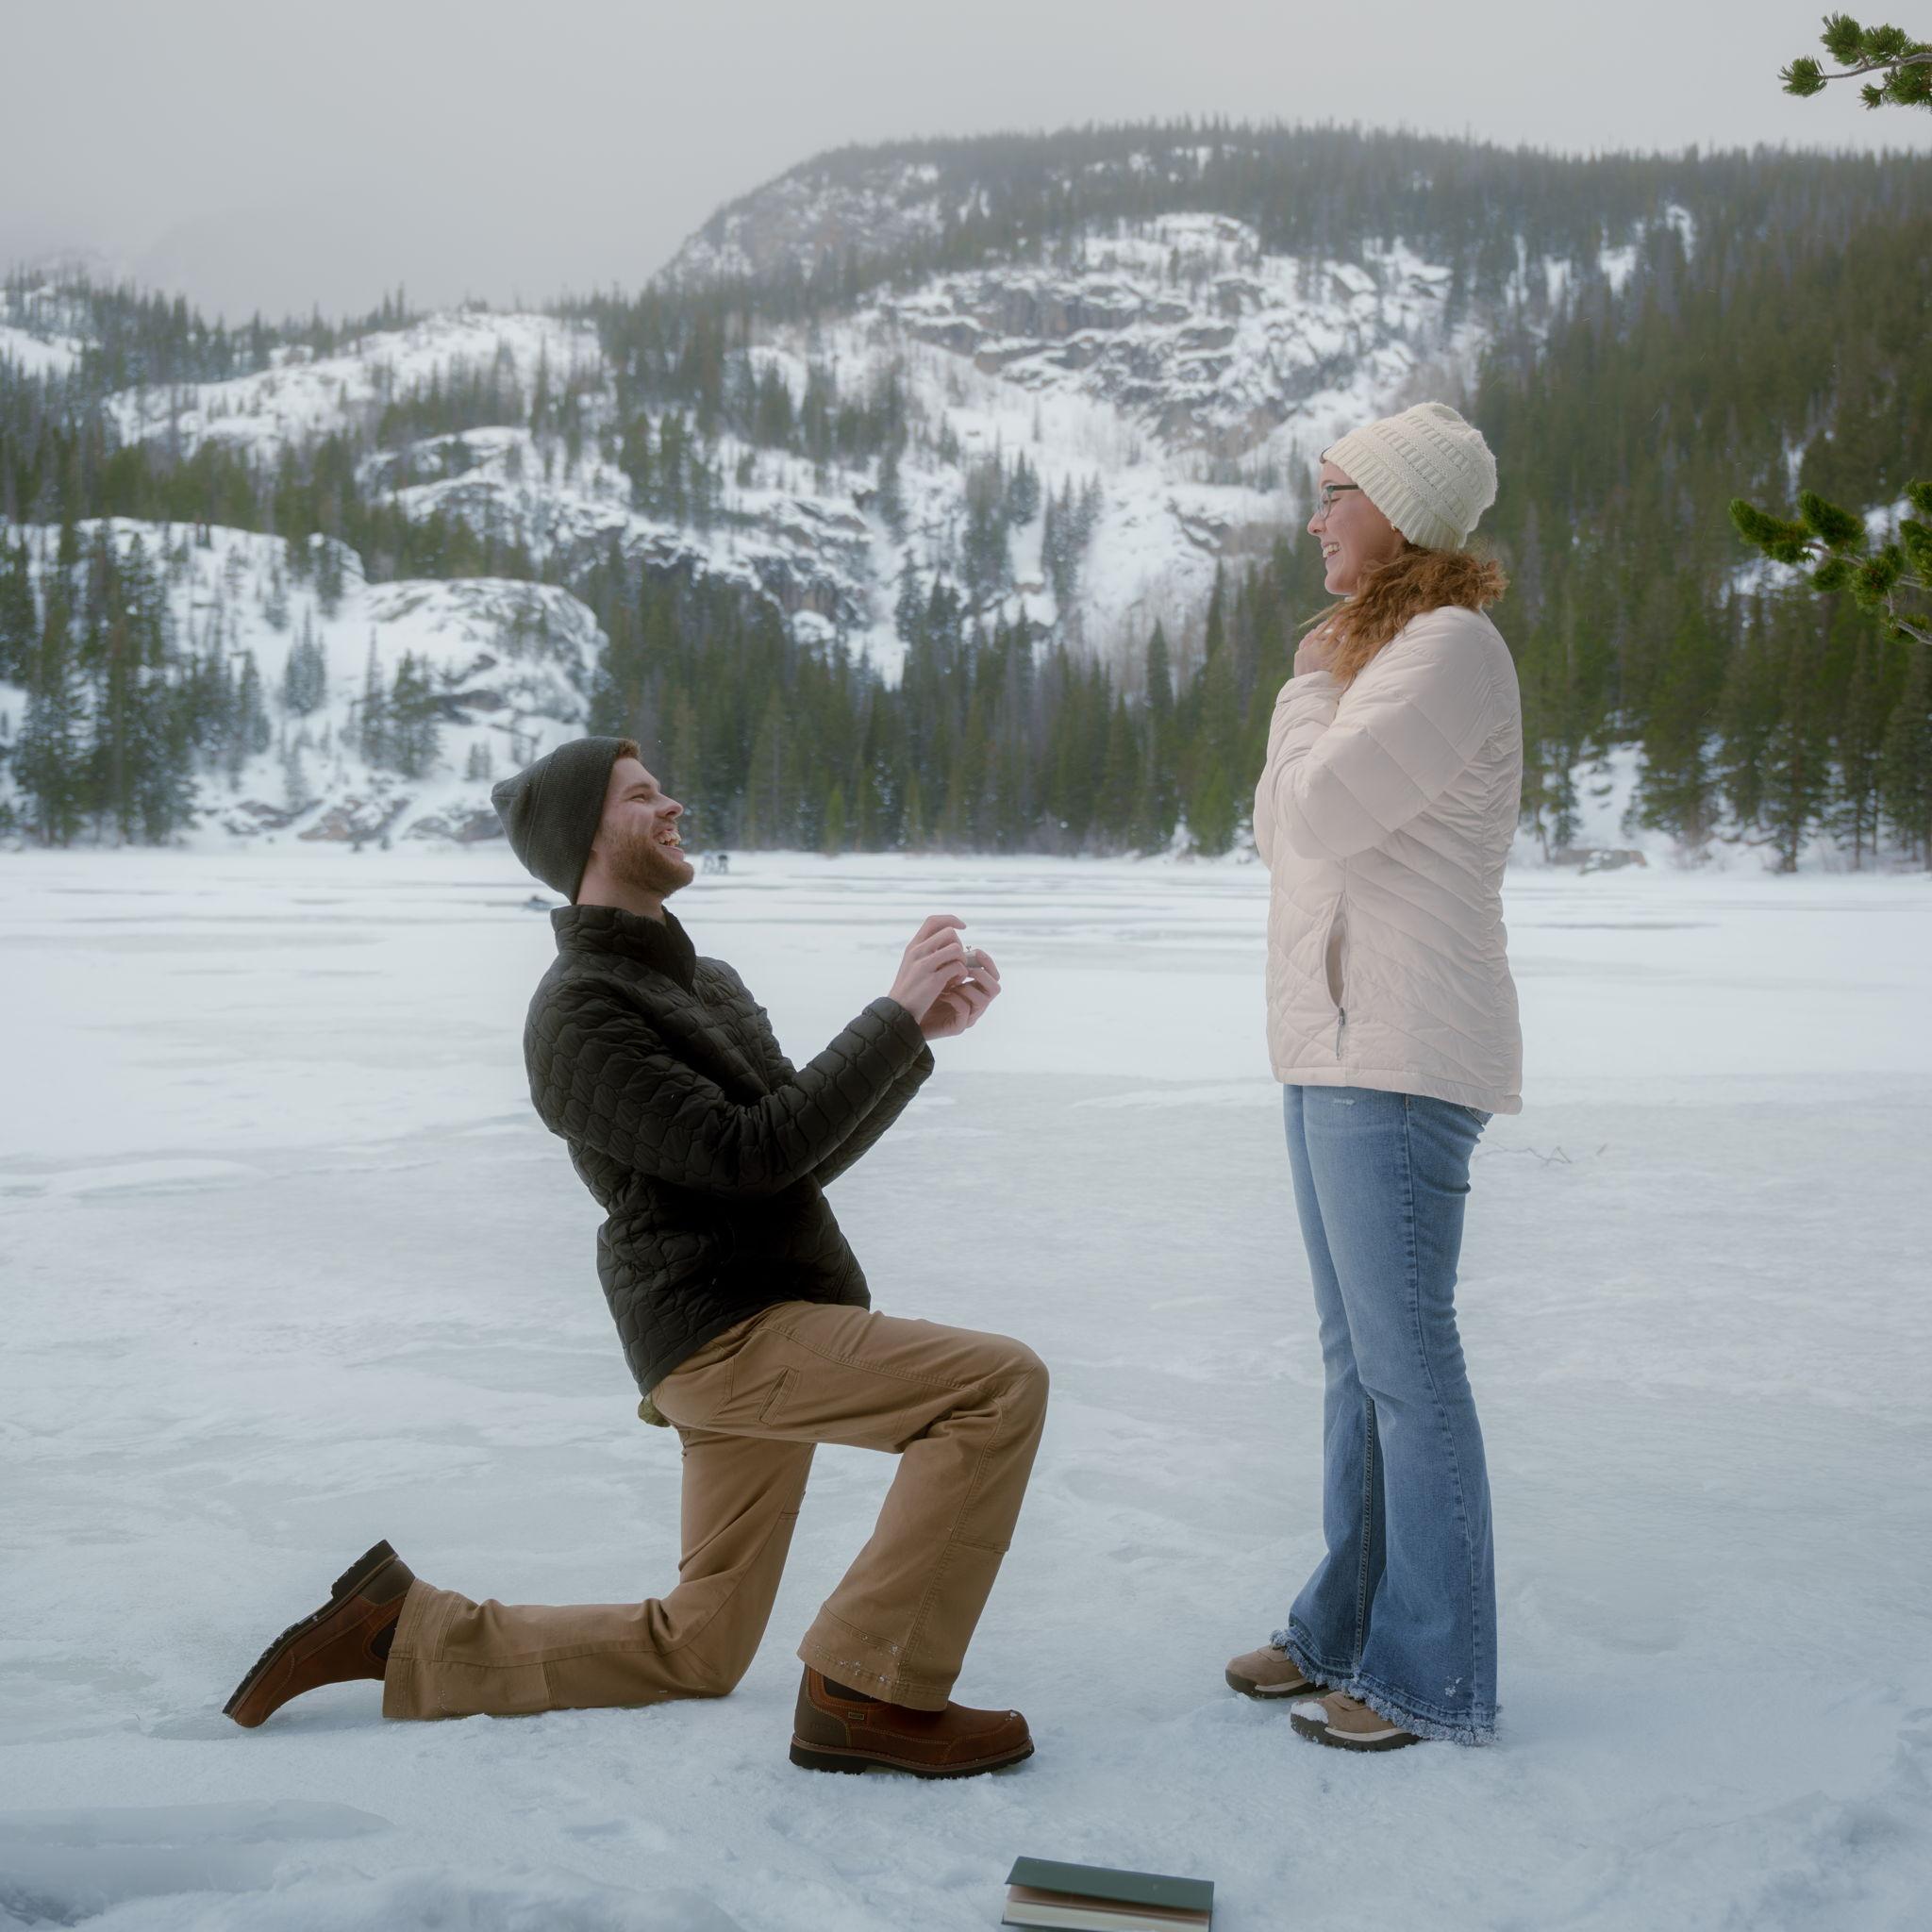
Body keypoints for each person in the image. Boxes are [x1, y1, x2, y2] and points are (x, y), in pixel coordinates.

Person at [225, 737, 1048, 1779]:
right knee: (993, 1386)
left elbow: (795, 1149)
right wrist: (886, 1013)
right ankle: (867, 1690)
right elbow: (741, 1156)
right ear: (585, 834)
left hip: (767, 1315)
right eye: (641, 794)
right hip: (726, 1332)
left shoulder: (706, 979)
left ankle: (402, 1631)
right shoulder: (577, 1012)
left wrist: (915, 1036)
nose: (672, 804)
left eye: (664, 786)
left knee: (697, 1644)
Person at [1225, 401, 1522, 1752]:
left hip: (1398, 1054)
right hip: (1341, 1046)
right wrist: (1327, 681)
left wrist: (1305, 681)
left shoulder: (1448, 648)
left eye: (1333, 492)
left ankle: (1431, 1676)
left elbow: (1316, 814)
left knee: (1408, 1368)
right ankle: (1342, 1630)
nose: (1315, 516)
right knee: (1359, 1367)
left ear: (1397, 513)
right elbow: (1284, 831)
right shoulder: (1384, 651)